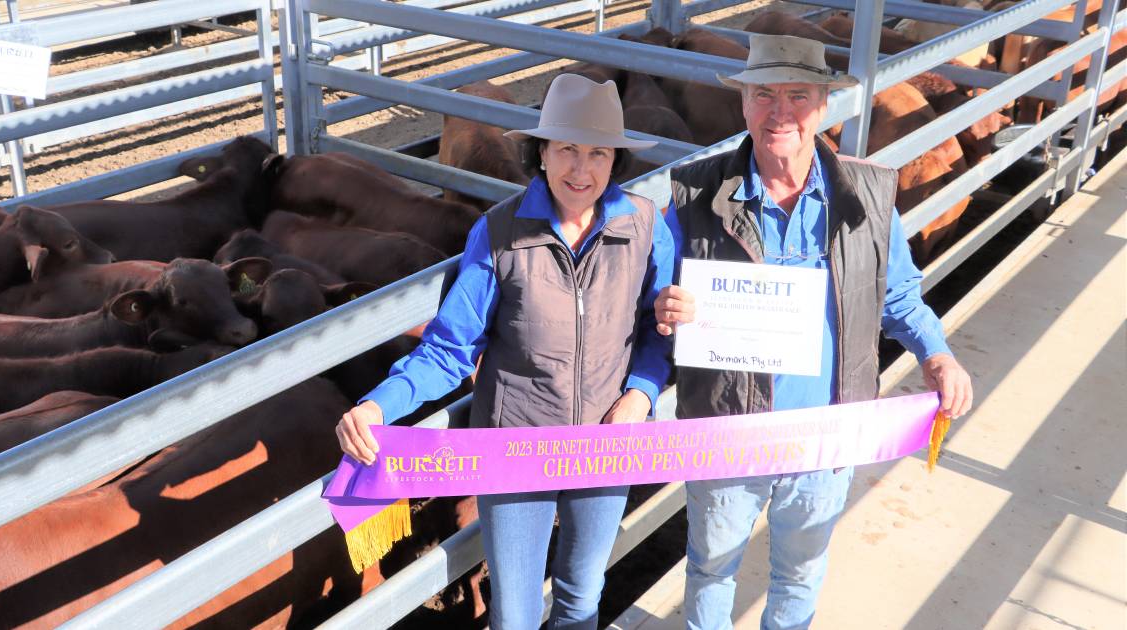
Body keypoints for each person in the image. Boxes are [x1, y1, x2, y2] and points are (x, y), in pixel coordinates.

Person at [653, 35, 974, 630]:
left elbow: (898, 294)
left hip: (826, 434)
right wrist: (664, 308)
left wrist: (937, 354)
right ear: (744, 104)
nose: (781, 113)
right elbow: (658, 302)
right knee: (710, 572)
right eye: (764, 95)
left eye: (798, 96)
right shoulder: (692, 193)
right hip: (728, 430)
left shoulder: (869, 196)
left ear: (824, 105)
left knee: (799, 574)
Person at [335, 73, 675, 630]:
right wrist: (379, 406)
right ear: (541, 153)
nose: (581, 170)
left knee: (582, 595)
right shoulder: (497, 233)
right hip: (515, 446)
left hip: (605, 441)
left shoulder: (642, 226)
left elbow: (658, 329)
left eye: (598, 153)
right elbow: (449, 348)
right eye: (566, 149)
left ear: (616, 161)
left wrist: (640, 391)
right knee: (514, 613)